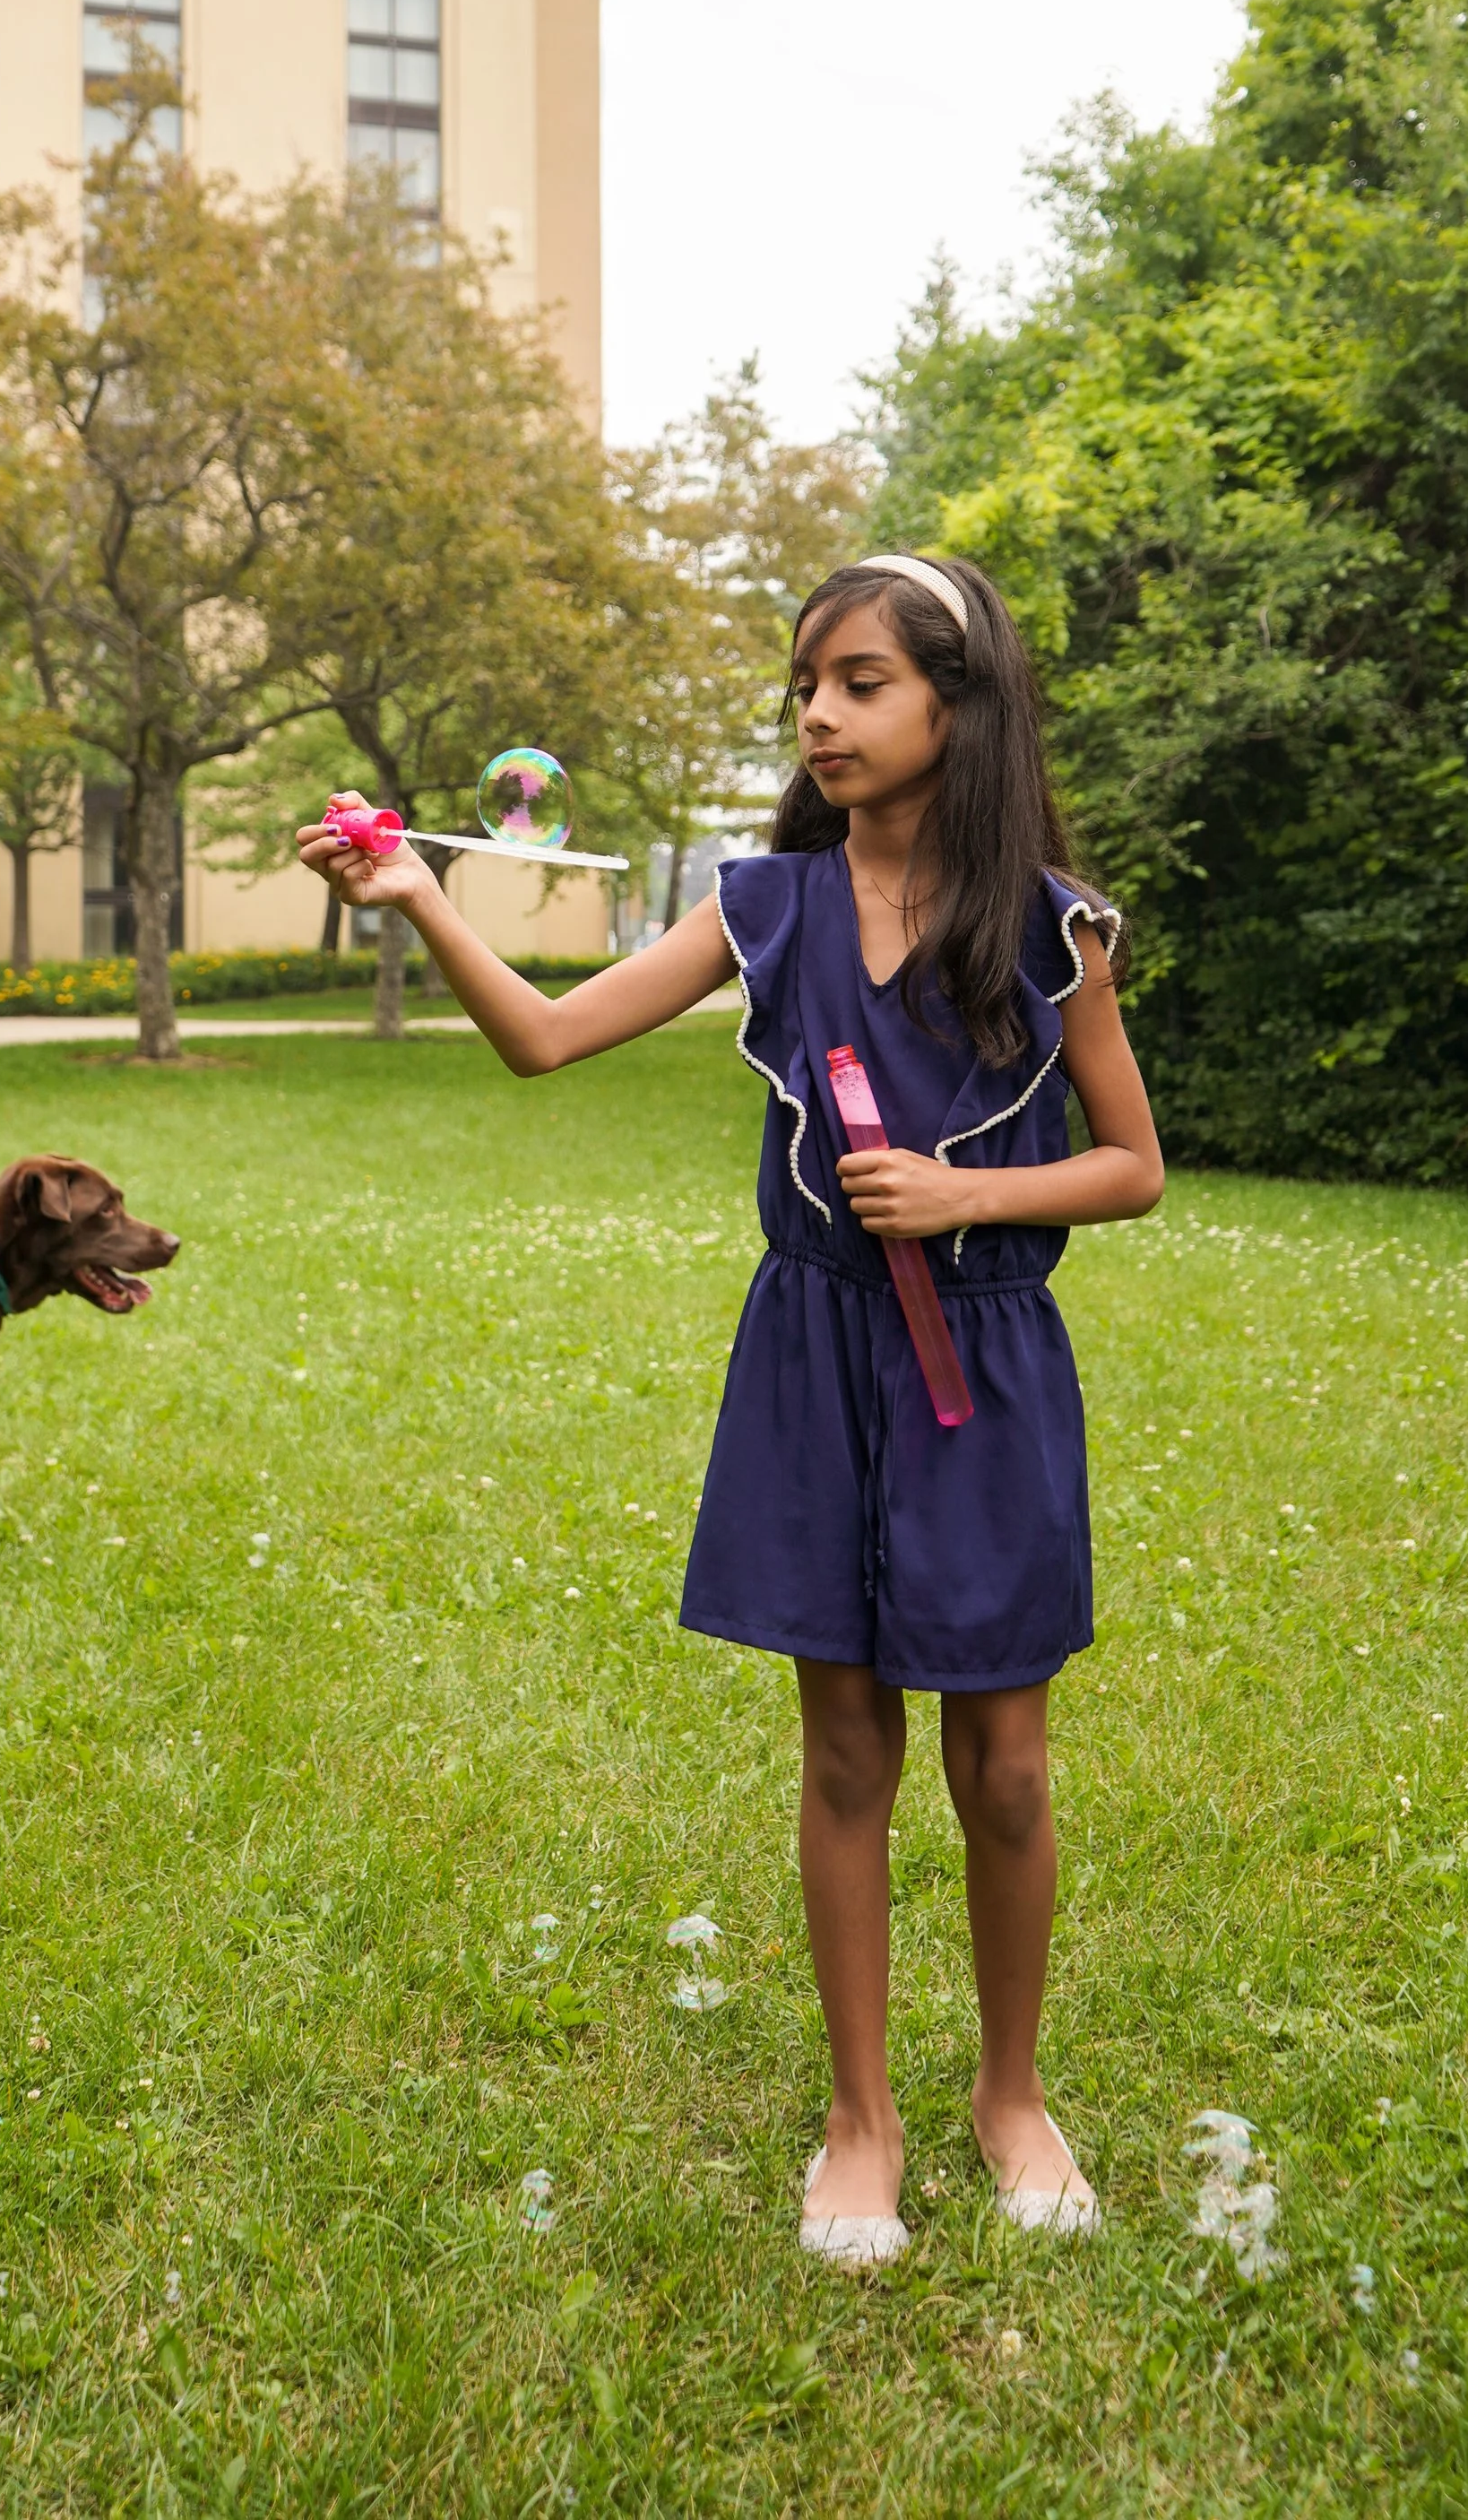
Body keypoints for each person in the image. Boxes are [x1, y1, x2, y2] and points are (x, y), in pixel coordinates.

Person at [298, 551, 1163, 2266]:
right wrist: (417, 898)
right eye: (805, 689)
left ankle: (1011, 2094)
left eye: (860, 682)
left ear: (959, 704)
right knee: (845, 1748)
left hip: (987, 1365)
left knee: (1004, 1766)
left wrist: (969, 1195)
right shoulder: (765, 906)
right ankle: (862, 2118)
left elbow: (1133, 1165)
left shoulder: (1056, 930)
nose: (820, 717)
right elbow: (546, 1039)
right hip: (816, 1353)